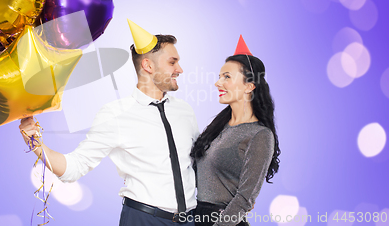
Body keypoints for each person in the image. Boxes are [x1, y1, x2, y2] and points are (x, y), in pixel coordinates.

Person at [19, 19, 199, 225]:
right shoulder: (115, 114)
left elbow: (196, 165)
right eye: (172, 62)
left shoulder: (185, 111)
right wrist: (35, 143)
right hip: (143, 219)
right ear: (148, 65)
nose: (180, 69)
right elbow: (74, 167)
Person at [189, 36, 280, 226]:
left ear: (249, 86)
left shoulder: (260, 136)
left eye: (227, 77)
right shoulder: (218, 127)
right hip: (197, 218)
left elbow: (245, 199)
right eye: (220, 76)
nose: (218, 83)